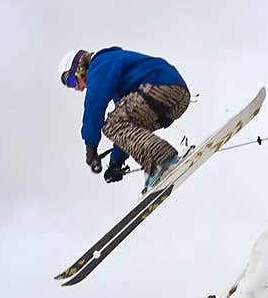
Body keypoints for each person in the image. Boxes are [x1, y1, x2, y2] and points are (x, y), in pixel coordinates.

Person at [59, 47, 190, 192]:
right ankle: (158, 164)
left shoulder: (100, 63)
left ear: (79, 68)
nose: (78, 88)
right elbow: (126, 128)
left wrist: (91, 148)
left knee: (111, 125)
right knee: (123, 122)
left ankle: (163, 160)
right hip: (177, 98)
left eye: (72, 81)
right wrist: (116, 162)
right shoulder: (113, 71)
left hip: (160, 86)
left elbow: (94, 106)